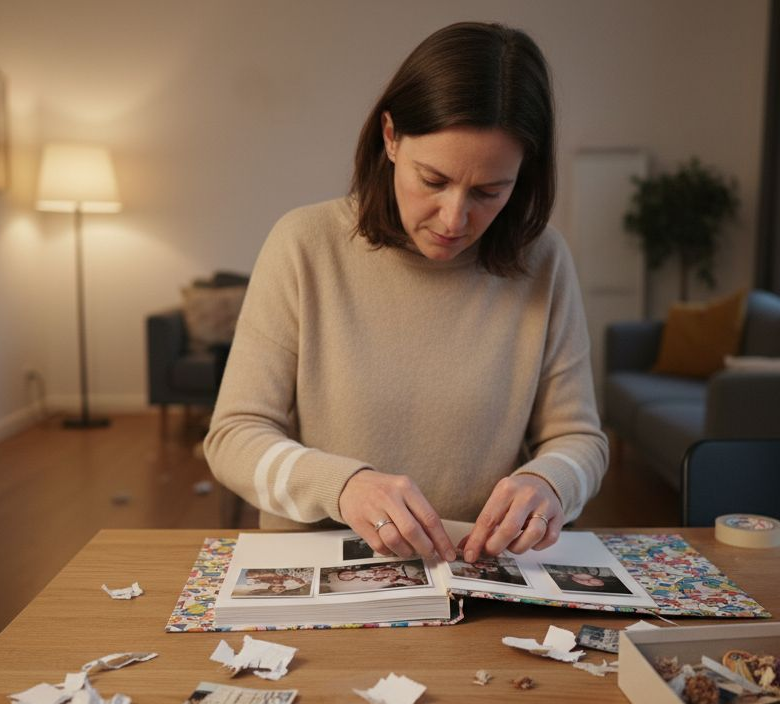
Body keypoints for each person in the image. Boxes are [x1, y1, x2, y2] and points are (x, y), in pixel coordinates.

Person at [204, 21, 608, 566]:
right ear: (391, 138)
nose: (455, 218)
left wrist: (551, 481)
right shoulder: (303, 243)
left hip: (480, 574)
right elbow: (233, 437)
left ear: (523, 176)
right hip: (323, 569)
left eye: (490, 191)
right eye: (434, 180)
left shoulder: (545, 261)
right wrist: (343, 487)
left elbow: (580, 438)